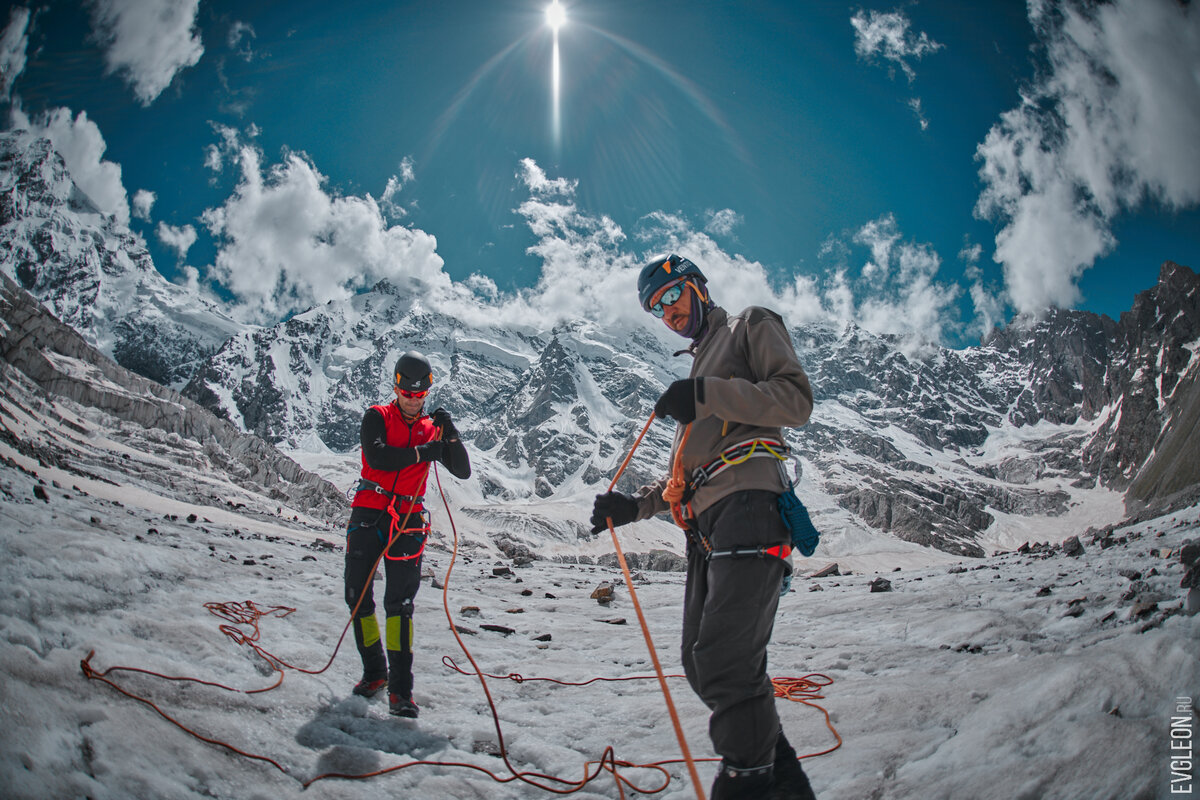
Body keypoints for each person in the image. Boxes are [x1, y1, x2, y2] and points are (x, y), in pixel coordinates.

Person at [590, 254, 816, 800]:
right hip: (707, 525)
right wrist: (634, 507)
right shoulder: (697, 369)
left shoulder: (748, 326)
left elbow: (795, 400)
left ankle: (744, 783)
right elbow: (688, 477)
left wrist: (706, 394)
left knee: (724, 662)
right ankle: (780, 783)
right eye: (656, 307)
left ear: (696, 287)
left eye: (672, 296)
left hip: (750, 505)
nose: (667, 311)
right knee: (701, 661)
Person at [345, 350, 471, 718]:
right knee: (357, 595)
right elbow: (378, 457)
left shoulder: (435, 428)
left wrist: (451, 437)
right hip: (370, 511)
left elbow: (462, 470)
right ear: (397, 388)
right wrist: (423, 453)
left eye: (420, 395)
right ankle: (375, 672)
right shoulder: (376, 416)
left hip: (408, 518)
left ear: (427, 391)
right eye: (408, 393)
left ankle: (401, 691)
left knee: (400, 606)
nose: (414, 400)